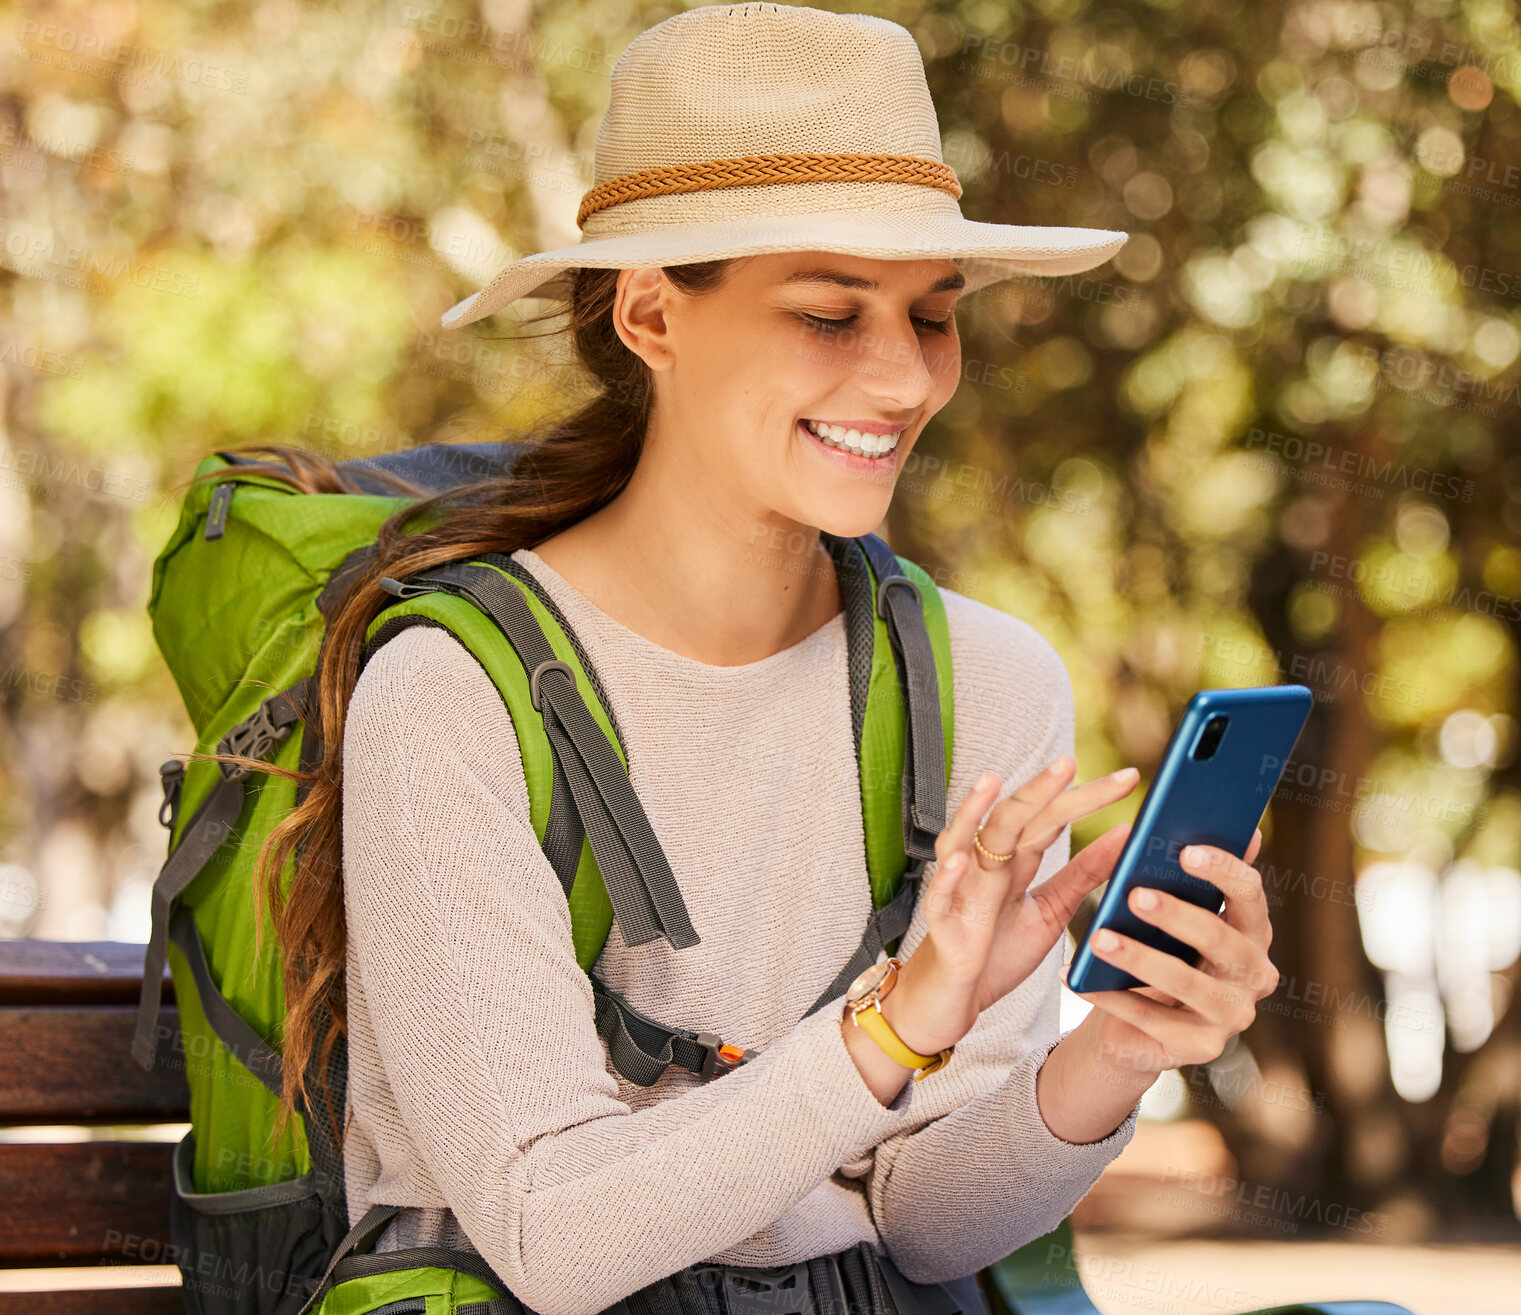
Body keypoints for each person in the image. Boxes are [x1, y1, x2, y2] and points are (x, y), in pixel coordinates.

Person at [261, 7, 1280, 1315]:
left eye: (931, 316)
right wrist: (895, 1027)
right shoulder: (457, 692)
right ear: (649, 317)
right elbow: (548, 1234)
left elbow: (919, 1226)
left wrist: (1119, 1051)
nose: (903, 379)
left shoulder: (985, 684)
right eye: (827, 314)